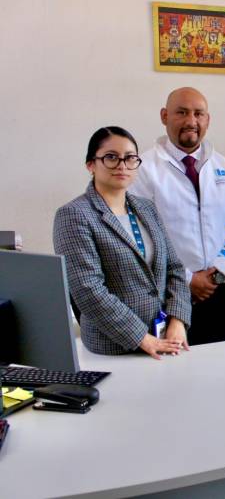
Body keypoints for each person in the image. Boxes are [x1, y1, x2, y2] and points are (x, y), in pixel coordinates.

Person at [53, 126, 191, 358]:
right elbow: (87, 289)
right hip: (113, 348)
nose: (122, 165)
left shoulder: (146, 208)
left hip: (164, 339)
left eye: (130, 158)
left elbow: (174, 268)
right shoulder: (74, 215)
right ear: (91, 165)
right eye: (111, 157)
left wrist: (177, 321)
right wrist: (142, 338)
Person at [130, 87, 225, 345]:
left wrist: (218, 272)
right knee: (171, 363)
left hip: (218, 289)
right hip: (167, 291)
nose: (191, 121)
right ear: (164, 116)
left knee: (221, 362)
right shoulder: (142, 169)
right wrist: (187, 278)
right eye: (182, 112)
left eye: (198, 114)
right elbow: (139, 235)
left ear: (208, 119)